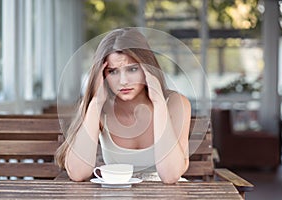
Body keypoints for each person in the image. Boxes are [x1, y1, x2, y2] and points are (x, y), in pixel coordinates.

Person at [55, 27, 191, 184]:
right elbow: (78, 173)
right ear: (102, 75)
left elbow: (170, 176)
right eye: (113, 71)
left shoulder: (176, 104)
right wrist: (96, 103)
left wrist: (159, 101)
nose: (123, 81)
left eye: (132, 69)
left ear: (147, 67)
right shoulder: (99, 108)